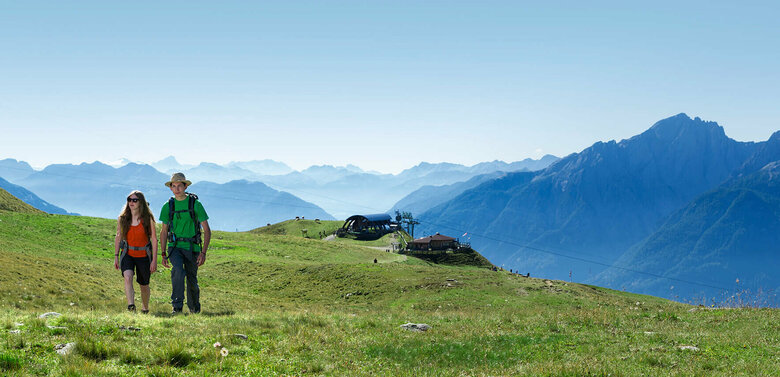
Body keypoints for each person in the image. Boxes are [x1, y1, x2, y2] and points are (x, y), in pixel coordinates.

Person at [159, 173, 211, 314]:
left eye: (179, 186)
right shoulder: (167, 206)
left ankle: (194, 309)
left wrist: (203, 253)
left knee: (191, 278)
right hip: (175, 247)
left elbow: (207, 230)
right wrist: (163, 253)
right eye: (173, 186)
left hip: (192, 247)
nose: (176, 189)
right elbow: (163, 232)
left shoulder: (195, 204)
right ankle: (177, 307)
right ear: (170, 188)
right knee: (178, 271)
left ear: (185, 186)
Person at [114, 190, 158, 313]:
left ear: (141, 203)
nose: (131, 203)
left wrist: (154, 260)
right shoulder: (122, 218)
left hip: (143, 255)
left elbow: (154, 240)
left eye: (134, 200)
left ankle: (145, 308)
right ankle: (131, 307)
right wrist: (116, 256)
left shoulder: (148, 219)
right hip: (127, 253)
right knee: (127, 277)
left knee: (144, 285)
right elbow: (118, 236)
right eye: (129, 200)